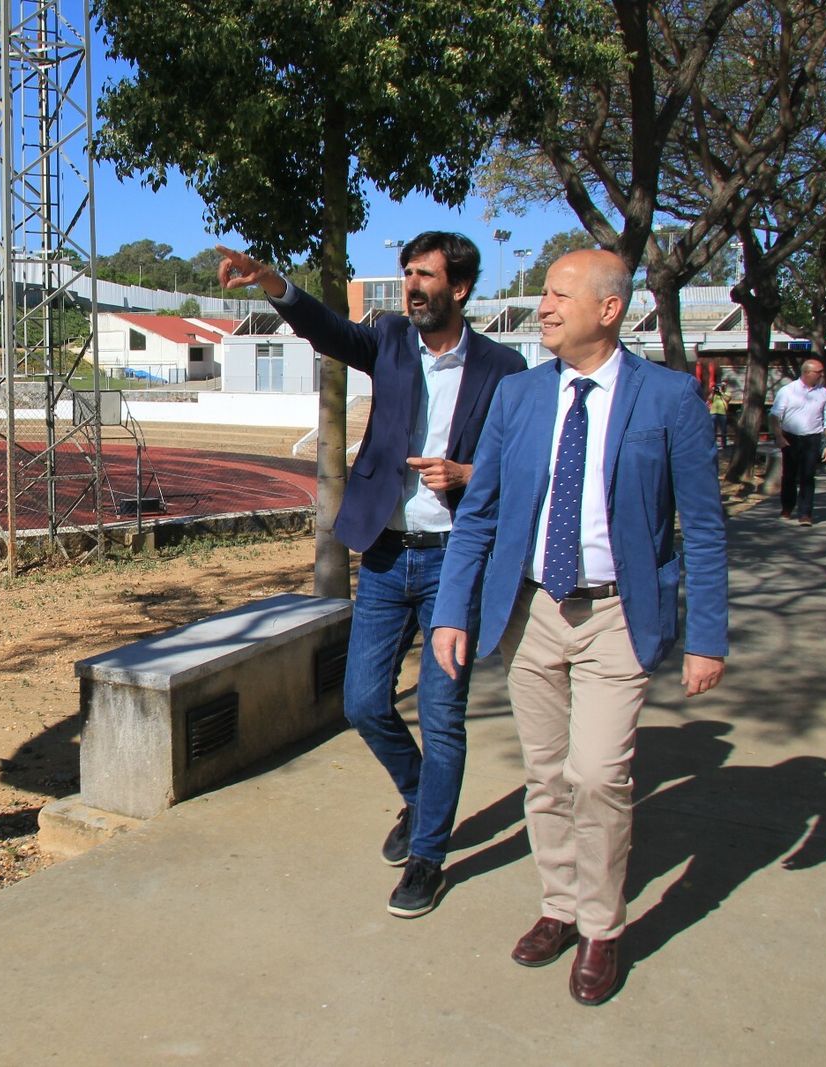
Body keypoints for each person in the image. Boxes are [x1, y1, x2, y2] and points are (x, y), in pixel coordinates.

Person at [429, 249, 728, 1006]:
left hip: (618, 615)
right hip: (530, 611)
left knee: (598, 775)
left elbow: (702, 523)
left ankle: (601, 924)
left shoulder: (668, 399)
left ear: (609, 309)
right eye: (544, 293)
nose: (544, 306)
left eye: (560, 294)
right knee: (546, 773)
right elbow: (482, 514)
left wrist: (708, 635)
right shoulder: (519, 396)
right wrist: (451, 610)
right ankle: (558, 905)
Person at [217, 233, 526, 919]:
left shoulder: (506, 369)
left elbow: (525, 465)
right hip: (385, 551)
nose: (412, 285)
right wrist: (274, 283)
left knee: (443, 713)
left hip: (455, 557)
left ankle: (429, 856)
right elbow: (328, 330)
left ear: (462, 288)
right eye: (406, 272)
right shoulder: (388, 340)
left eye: (426, 275)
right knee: (360, 701)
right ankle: (420, 795)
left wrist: (470, 475)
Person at [769, 360, 826, 526]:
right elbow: (774, 416)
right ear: (807, 373)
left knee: (808, 476)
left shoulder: (824, 393)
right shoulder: (788, 391)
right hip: (790, 437)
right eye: (818, 372)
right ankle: (787, 507)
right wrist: (779, 436)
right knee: (789, 475)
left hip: (812, 438)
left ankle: (805, 513)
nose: (821, 375)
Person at [708, 383, 731, 450]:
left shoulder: (727, 393)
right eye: (721, 386)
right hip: (713, 412)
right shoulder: (715, 393)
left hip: (723, 413)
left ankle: (724, 445)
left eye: (723, 386)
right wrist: (713, 392)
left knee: (723, 430)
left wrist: (721, 392)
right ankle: (712, 445)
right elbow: (709, 400)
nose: (722, 387)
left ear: (725, 387)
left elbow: (727, 399)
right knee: (712, 430)